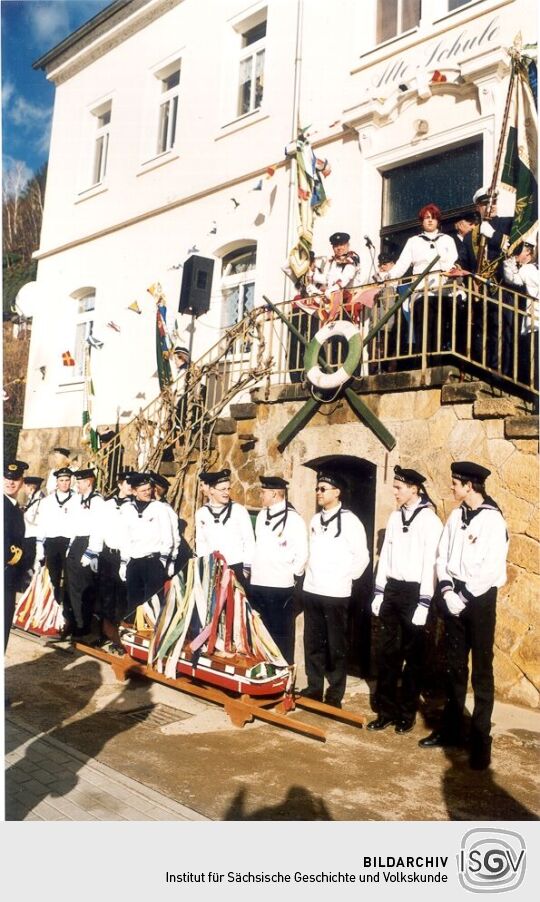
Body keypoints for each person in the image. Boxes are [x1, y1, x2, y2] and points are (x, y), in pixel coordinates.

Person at [419, 461, 509, 770]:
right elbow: (442, 556)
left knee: (482, 671)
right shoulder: (456, 516)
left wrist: (463, 596)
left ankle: (481, 741)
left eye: (456, 483)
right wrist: (446, 590)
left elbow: (492, 569)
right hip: (452, 597)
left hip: (480, 601)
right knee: (454, 668)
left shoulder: (493, 520)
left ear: (470, 486)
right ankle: (452, 729)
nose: (452, 488)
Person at [368, 466, 443, 733]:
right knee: (387, 654)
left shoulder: (429, 521)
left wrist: (424, 602)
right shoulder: (394, 517)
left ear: (414, 489)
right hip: (393, 590)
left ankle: (406, 714)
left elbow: (431, 564)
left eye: (399, 488)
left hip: (416, 594)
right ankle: (385, 711)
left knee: (413, 658)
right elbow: (385, 557)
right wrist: (379, 591)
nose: (395, 493)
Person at [301, 470, 369, 707]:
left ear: (337, 492)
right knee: (313, 642)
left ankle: (335, 693)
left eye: (323, 489)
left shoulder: (351, 521)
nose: (318, 493)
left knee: (335, 645)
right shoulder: (314, 520)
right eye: (317, 489)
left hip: (336, 593)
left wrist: (343, 579)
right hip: (312, 589)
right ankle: (314, 687)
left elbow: (362, 558)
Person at [379, 204, 458, 357]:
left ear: (438, 221)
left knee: (441, 329)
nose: (430, 221)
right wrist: (387, 277)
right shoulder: (413, 241)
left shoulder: (447, 240)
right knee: (424, 329)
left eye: (433, 217)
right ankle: (424, 361)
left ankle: (440, 360)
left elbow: (453, 262)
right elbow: (401, 265)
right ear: (421, 221)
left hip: (444, 291)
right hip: (422, 292)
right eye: (427, 217)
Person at [249, 475, 308, 663]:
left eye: (264, 492)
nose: (261, 495)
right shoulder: (261, 516)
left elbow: (302, 553)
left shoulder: (294, 519)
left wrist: (290, 574)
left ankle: (283, 674)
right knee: (260, 631)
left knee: (281, 633)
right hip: (258, 583)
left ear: (275, 494)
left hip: (280, 586)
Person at [458, 187, 513, 370]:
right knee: (482, 331)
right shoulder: (469, 237)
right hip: (480, 292)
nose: (491, 206)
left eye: (494, 202)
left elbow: (515, 248)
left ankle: (500, 375)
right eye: (485, 204)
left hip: (502, 288)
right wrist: (464, 279)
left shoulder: (508, 224)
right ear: (477, 207)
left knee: (501, 331)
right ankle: (484, 371)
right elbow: (464, 265)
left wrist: (494, 236)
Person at [118, 472, 175, 615]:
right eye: (143, 490)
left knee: (154, 601)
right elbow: (124, 537)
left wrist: (164, 559)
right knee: (133, 600)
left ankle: (154, 632)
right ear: (134, 491)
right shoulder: (126, 509)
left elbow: (168, 535)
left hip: (153, 561)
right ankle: (134, 631)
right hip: (134, 561)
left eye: (149, 489)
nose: (148, 493)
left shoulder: (159, 508)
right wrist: (124, 562)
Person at [88, 469, 133, 648]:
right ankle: (103, 634)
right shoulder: (107, 505)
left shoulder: (135, 507)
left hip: (124, 558)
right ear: (119, 484)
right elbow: (98, 529)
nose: (131, 487)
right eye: (127, 483)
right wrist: (93, 552)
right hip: (107, 555)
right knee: (105, 596)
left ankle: (119, 640)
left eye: (133, 484)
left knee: (122, 598)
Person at [195, 468, 254, 589]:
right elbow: (201, 543)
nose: (226, 493)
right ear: (211, 490)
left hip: (237, 567)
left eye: (228, 489)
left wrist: (247, 568)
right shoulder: (201, 513)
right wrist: (203, 566)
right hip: (213, 568)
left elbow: (249, 540)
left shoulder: (239, 510)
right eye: (222, 489)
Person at [64, 468, 105, 638]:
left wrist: (92, 551)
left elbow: (99, 528)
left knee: (85, 587)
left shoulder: (98, 501)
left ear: (89, 482)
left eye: (79, 482)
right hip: (76, 543)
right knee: (71, 586)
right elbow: (73, 524)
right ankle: (74, 622)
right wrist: (70, 545)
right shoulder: (76, 500)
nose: (77, 485)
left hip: (88, 544)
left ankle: (84, 624)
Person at [35, 466, 77, 629]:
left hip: (69, 543)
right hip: (52, 543)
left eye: (67, 480)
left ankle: (67, 618)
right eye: (61, 480)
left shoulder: (77, 500)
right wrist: (40, 547)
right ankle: (50, 613)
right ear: (56, 482)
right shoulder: (47, 502)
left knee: (69, 580)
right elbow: (42, 524)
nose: (65, 483)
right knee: (52, 578)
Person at [502, 240, 539, 390]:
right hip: (535, 319)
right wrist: (511, 260)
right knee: (535, 362)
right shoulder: (529, 269)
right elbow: (512, 278)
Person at [4, 460, 29, 650]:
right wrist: (24, 560)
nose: (10, 482)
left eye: (15, 479)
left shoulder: (13, 507)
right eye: (6, 477)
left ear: (21, 482)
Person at [21, 476, 45, 565]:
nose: (24, 490)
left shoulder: (41, 501)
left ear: (31, 488)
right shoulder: (32, 498)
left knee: (34, 564)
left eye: (25, 487)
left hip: (34, 537)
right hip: (28, 535)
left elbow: (37, 520)